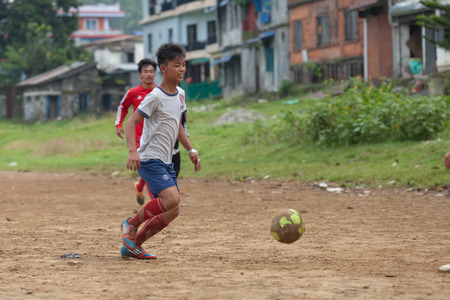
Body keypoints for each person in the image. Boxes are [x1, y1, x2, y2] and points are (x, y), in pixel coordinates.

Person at [120, 43, 201, 260]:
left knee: (173, 210)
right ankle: (131, 223)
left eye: (184, 65)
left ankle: (133, 245)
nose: (182, 69)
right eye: (177, 65)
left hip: (166, 159)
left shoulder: (181, 94)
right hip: (149, 158)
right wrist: (132, 151)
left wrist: (190, 149)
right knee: (173, 199)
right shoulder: (154, 96)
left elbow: (177, 127)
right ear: (163, 69)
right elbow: (131, 123)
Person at [115, 58, 157, 205]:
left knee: (150, 167)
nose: (149, 74)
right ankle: (155, 203)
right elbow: (123, 107)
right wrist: (118, 124)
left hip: (155, 138)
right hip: (138, 138)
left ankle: (139, 187)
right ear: (140, 74)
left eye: (151, 71)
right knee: (148, 168)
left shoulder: (159, 92)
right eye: (145, 71)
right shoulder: (133, 92)